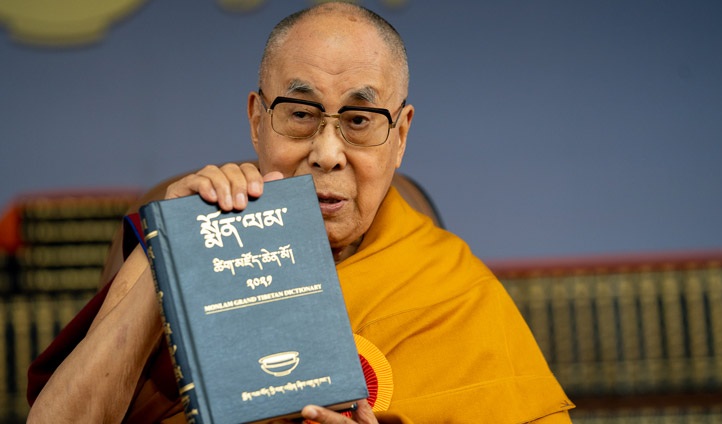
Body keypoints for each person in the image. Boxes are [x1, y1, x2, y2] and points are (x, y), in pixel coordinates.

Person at [26, 2, 574, 422]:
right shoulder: (181, 231)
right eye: (300, 113)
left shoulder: (450, 288)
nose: (327, 153)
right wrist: (174, 247)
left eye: (360, 120)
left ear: (400, 135)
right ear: (257, 120)